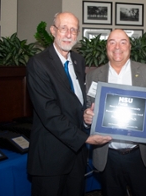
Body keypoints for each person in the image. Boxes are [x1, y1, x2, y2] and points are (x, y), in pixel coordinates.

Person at [26, 12, 111, 196]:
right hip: (51, 158)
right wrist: (86, 139)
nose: (68, 34)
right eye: (63, 28)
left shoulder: (78, 61)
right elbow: (50, 114)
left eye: (73, 30)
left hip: (76, 156)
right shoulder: (38, 64)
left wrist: (86, 115)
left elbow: (74, 102)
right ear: (53, 31)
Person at [83, 29, 146, 196]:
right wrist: (87, 118)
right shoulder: (92, 76)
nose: (117, 47)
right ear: (106, 47)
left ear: (130, 46)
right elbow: (88, 107)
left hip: (140, 154)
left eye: (123, 41)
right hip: (108, 156)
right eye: (112, 42)